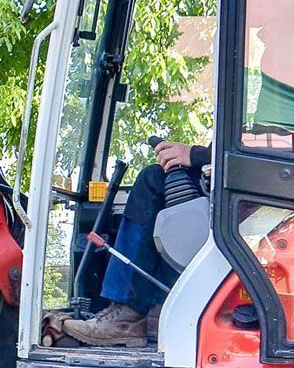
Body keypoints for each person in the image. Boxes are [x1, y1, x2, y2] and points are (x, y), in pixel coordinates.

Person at [61, 139, 210, 347]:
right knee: (160, 179)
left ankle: (128, 313)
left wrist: (196, 155)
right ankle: (154, 309)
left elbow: (261, 152)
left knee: (153, 180)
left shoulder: (264, 129)